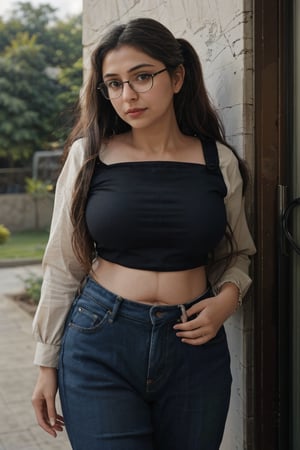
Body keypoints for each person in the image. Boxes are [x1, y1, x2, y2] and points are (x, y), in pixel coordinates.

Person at [31, 17, 256, 450]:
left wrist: (226, 301)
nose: (127, 95)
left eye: (141, 77)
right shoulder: (89, 156)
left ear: (177, 77)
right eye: (113, 84)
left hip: (194, 346)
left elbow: (238, 253)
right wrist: (46, 364)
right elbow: (63, 265)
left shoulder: (219, 161)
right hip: (100, 342)